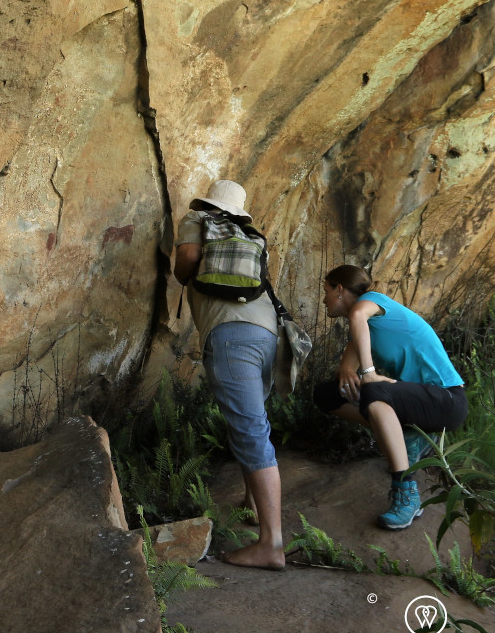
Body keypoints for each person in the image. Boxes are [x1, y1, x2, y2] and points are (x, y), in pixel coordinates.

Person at [174, 179, 284, 569]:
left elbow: (187, 257)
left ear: (209, 202)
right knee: (253, 420)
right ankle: (253, 505)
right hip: (267, 333)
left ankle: (271, 544)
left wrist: (183, 271)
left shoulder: (198, 219)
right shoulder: (250, 234)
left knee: (250, 427)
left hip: (230, 335)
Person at [314, 265, 467, 529]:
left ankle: (406, 491)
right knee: (327, 394)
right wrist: (348, 370)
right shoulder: (365, 326)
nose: (324, 299)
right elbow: (347, 366)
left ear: (340, 289)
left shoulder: (371, 302)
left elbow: (358, 316)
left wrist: (369, 373)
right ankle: (409, 434)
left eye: (326, 290)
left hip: (447, 400)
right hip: (419, 403)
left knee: (374, 389)